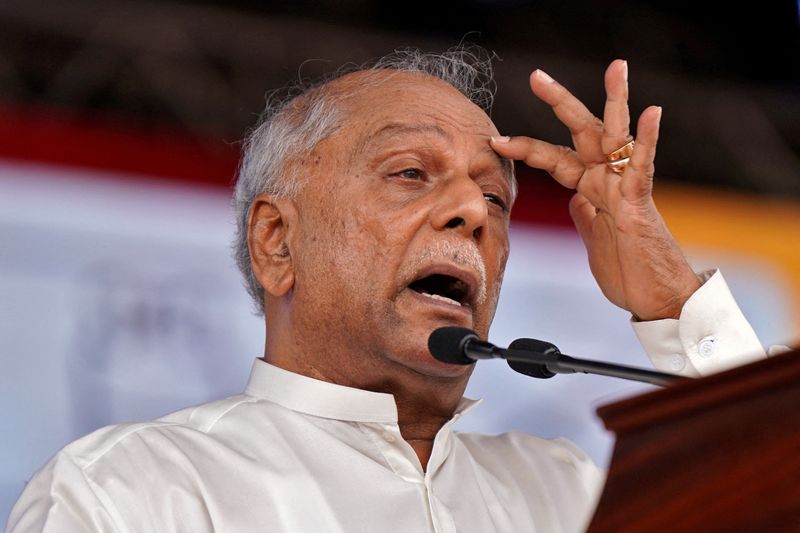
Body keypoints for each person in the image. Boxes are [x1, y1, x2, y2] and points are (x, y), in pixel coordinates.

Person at [6, 46, 768, 533]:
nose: (473, 211)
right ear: (278, 241)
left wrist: (670, 294)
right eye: (410, 172)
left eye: (495, 200)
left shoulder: (570, 497)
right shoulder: (129, 495)